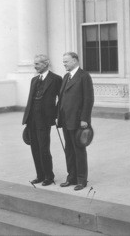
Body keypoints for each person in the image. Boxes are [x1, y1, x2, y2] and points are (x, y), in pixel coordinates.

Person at [22, 54, 62, 186]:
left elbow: (61, 100)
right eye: (35, 64)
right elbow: (30, 101)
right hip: (31, 119)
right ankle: (40, 175)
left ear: (46, 64)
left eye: (37, 64)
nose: (35, 66)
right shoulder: (34, 80)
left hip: (44, 120)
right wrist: (26, 120)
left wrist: (54, 115)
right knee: (34, 148)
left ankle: (49, 177)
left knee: (44, 149)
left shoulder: (56, 79)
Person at [57, 52, 94, 191]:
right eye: (63, 61)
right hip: (66, 120)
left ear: (75, 60)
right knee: (69, 150)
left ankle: (81, 180)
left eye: (66, 61)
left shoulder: (84, 76)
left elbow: (88, 99)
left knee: (79, 150)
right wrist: (58, 116)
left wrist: (85, 119)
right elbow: (62, 99)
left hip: (78, 121)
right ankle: (71, 177)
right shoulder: (66, 77)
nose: (64, 64)